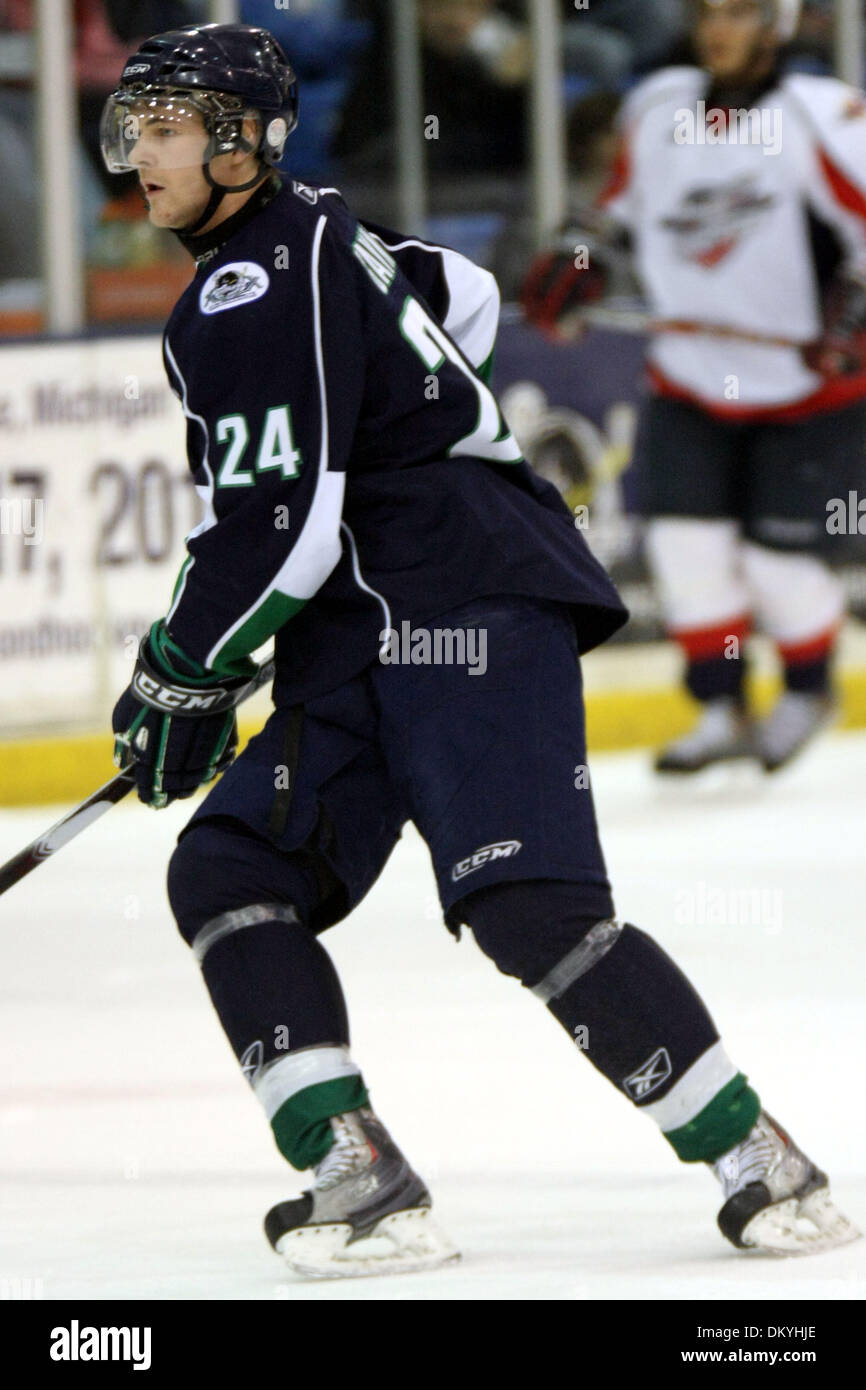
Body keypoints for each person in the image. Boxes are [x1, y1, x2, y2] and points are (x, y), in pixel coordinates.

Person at [100, 21, 858, 1277]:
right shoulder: (326, 231)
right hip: (374, 618)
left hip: (460, 604)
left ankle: (754, 1156)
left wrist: (180, 671)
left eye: (171, 128)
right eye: (137, 127)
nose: (141, 156)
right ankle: (356, 1170)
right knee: (229, 865)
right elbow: (468, 299)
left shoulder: (242, 287)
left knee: (527, 902)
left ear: (245, 146)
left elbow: (281, 525)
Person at [521, 0, 866, 775]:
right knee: (686, 549)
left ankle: (809, 688)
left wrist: (858, 310)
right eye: (709, 10)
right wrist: (578, 259)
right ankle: (720, 704)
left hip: (808, 390)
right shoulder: (657, 104)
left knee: (776, 565)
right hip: (690, 376)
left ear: (777, 26)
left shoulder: (824, 117)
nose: (719, 27)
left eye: (741, 12)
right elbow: (609, 211)